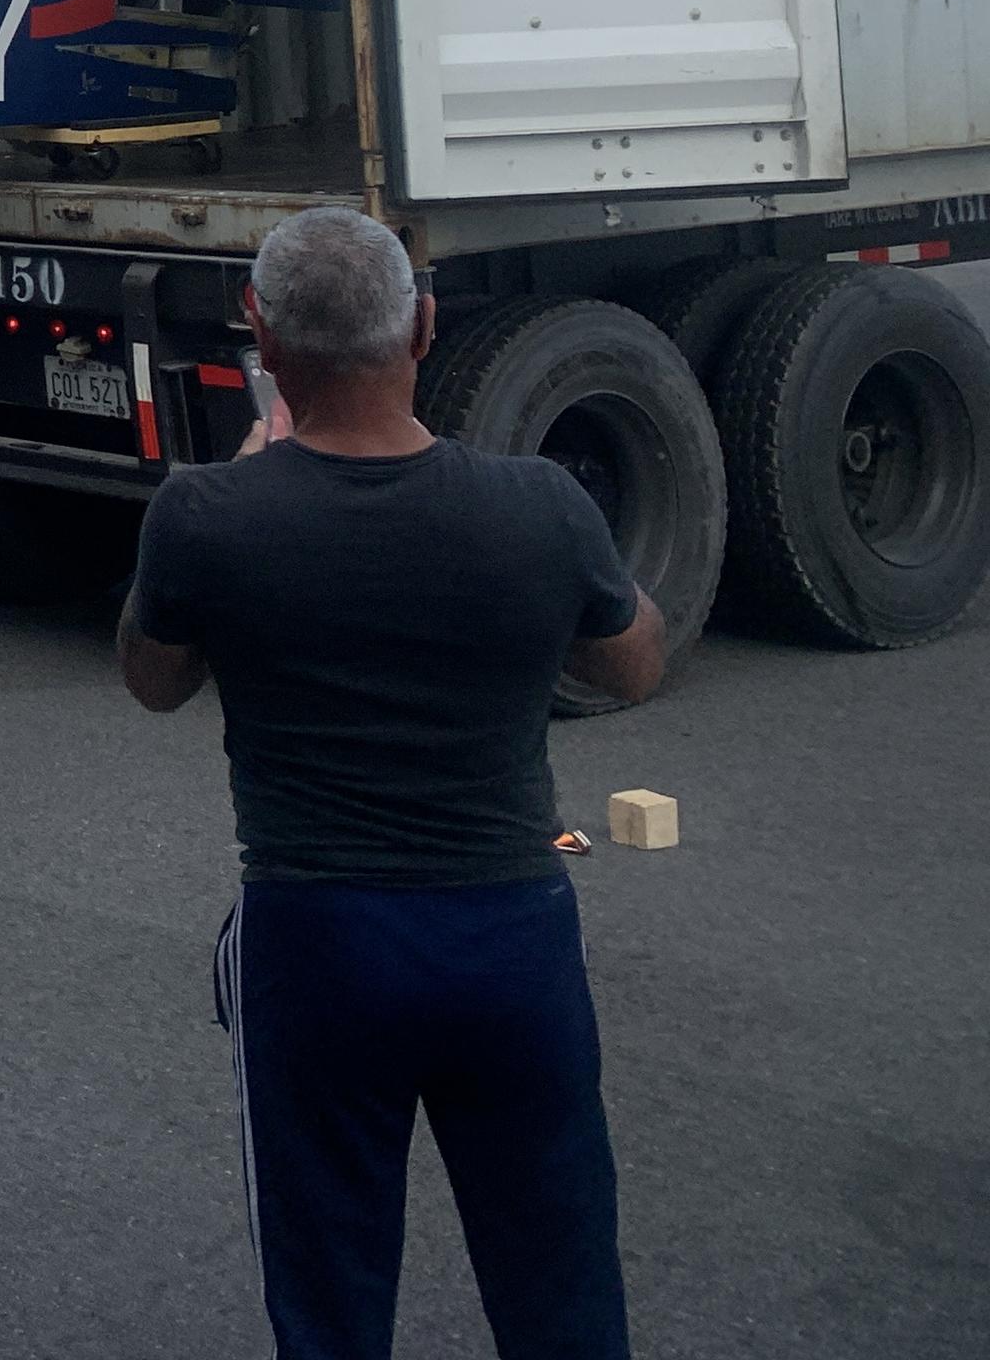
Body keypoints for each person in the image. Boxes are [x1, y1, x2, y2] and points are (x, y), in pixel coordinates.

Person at [119, 207, 665, 1360]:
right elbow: (635, 665)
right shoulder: (540, 508)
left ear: (261, 340)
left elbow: (154, 682)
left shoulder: (207, 518)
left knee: (329, 1291)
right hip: (509, 930)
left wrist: (244, 490)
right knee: (559, 1275)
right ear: (422, 327)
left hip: (316, 942)